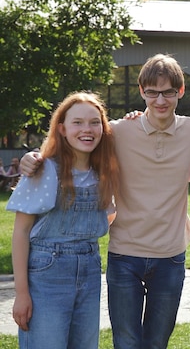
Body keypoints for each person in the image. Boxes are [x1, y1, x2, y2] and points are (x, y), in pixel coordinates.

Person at [20, 54, 190, 349]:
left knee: (156, 342)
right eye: (152, 92)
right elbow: (77, 136)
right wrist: (35, 156)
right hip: (124, 255)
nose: (160, 100)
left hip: (171, 256)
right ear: (142, 92)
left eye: (167, 92)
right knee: (126, 342)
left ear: (180, 91)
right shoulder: (119, 130)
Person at [7, 91, 120, 348]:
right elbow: (21, 233)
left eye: (94, 122)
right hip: (47, 274)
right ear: (62, 129)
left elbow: (106, 217)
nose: (86, 129)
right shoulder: (43, 169)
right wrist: (21, 294)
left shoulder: (103, 173)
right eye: (77, 122)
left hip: (90, 271)